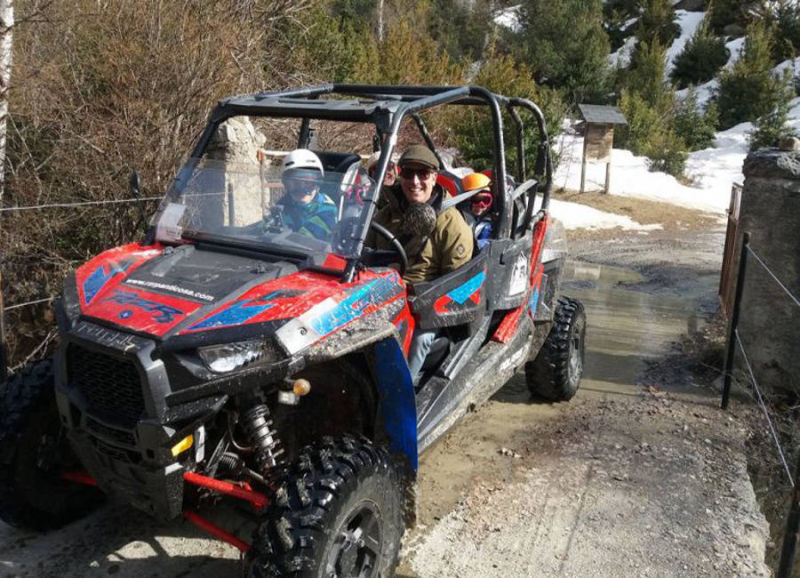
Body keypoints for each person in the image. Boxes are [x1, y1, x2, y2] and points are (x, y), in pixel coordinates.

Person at [370, 144, 474, 382]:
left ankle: (400, 394)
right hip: (381, 295)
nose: (415, 181)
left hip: (425, 307)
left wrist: (419, 299)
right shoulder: (385, 215)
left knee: (418, 340)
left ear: (435, 177)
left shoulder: (451, 224)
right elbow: (366, 252)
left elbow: (456, 282)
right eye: (408, 173)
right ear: (400, 174)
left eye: (423, 174)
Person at [275, 149, 337, 241]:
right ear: (285, 183)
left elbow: (303, 241)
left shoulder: (327, 209)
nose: (301, 189)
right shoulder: (283, 204)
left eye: (308, 182)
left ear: (318, 183)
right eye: (294, 182)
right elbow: (264, 229)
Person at [461, 172, 494, 250]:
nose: (480, 205)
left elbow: (485, 243)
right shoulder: (459, 217)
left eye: (486, 200)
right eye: (476, 199)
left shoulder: (487, 225)